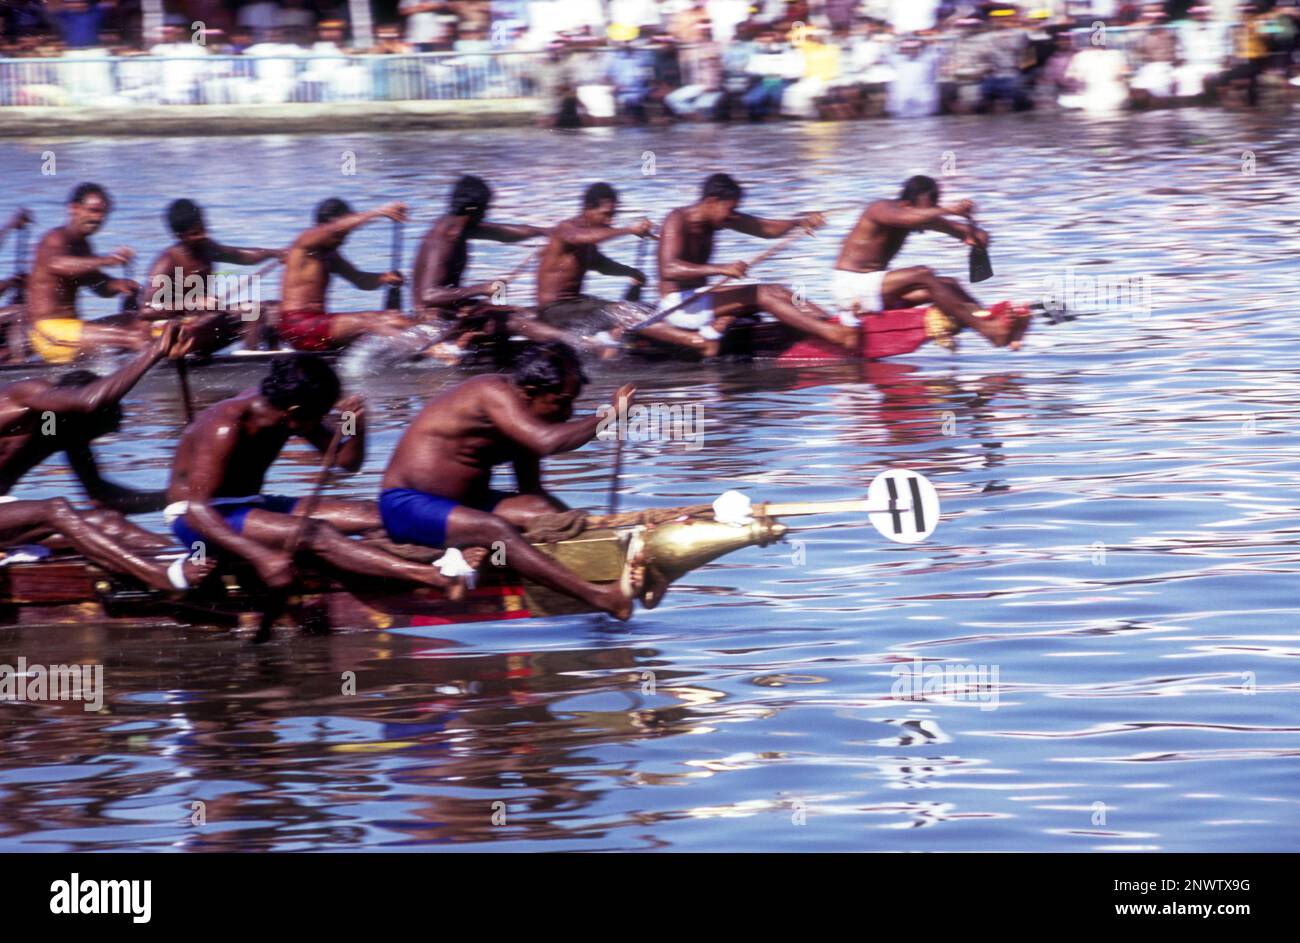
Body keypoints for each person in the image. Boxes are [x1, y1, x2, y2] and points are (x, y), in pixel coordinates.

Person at [380, 341, 644, 620]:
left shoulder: (524, 418)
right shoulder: (491, 393)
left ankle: (608, 572)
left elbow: (532, 491)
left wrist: (566, 528)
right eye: (561, 402)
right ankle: (602, 597)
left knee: (550, 514)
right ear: (530, 393)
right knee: (494, 529)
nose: (567, 413)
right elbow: (546, 442)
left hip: (470, 504)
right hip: (406, 505)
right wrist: (610, 415)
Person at [165, 354, 461, 594]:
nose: (321, 423)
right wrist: (262, 557)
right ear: (293, 413)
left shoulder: (287, 410)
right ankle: (431, 577)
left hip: (249, 506)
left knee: (377, 515)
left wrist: (354, 427)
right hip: (199, 520)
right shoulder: (225, 425)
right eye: (319, 417)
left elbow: (345, 462)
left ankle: (438, 554)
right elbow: (197, 511)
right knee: (316, 533)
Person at [0, 322, 213, 593]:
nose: (92, 440)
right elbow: (90, 400)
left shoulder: (62, 428)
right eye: (101, 426)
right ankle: (161, 577)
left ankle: (190, 560)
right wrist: (155, 351)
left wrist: (174, 496)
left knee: (108, 522)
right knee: (55, 510)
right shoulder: (26, 395)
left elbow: (102, 497)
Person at [650, 172, 855, 358]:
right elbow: (669, 269)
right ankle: (834, 335)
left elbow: (766, 229)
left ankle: (829, 322)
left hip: (699, 299)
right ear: (712, 202)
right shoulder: (677, 220)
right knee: (759, 294)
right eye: (730, 209)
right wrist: (721, 268)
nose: (732, 215)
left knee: (777, 290)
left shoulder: (720, 217)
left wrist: (800, 222)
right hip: (678, 307)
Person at [832, 175, 1029, 349]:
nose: (928, 217)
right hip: (851, 289)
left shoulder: (918, 214)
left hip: (874, 290)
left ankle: (992, 324)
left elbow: (963, 231)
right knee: (922, 274)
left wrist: (977, 236)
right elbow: (911, 218)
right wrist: (946, 210)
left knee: (948, 285)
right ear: (907, 204)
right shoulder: (880, 209)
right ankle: (988, 330)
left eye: (932, 209)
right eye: (927, 210)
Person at [26, 182, 151, 364]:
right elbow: (58, 265)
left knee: (137, 322)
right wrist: (107, 260)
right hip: (48, 334)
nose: (98, 218)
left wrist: (120, 285)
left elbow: (98, 286)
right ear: (74, 209)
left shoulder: (84, 246)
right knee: (135, 337)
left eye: (103, 214)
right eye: (93, 211)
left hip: (71, 330)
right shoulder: (55, 238)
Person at [143, 198, 285, 353]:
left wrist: (276, 253)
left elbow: (241, 255)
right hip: (174, 333)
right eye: (195, 233)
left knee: (272, 310)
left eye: (204, 228)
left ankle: (268, 358)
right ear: (180, 236)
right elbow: (146, 311)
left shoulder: (207, 247)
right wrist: (194, 302)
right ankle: (251, 363)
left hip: (202, 322)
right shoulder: (167, 262)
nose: (203, 235)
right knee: (251, 310)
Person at [276, 199, 414, 352]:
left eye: (346, 235)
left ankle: (428, 343)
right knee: (370, 323)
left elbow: (360, 280)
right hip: (297, 327)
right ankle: (432, 352)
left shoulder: (331, 255)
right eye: (341, 236)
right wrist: (380, 212)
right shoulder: (305, 241)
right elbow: (335, 228)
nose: (343, 240)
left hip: (318, 327)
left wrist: (384, 278)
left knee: (394, 318)